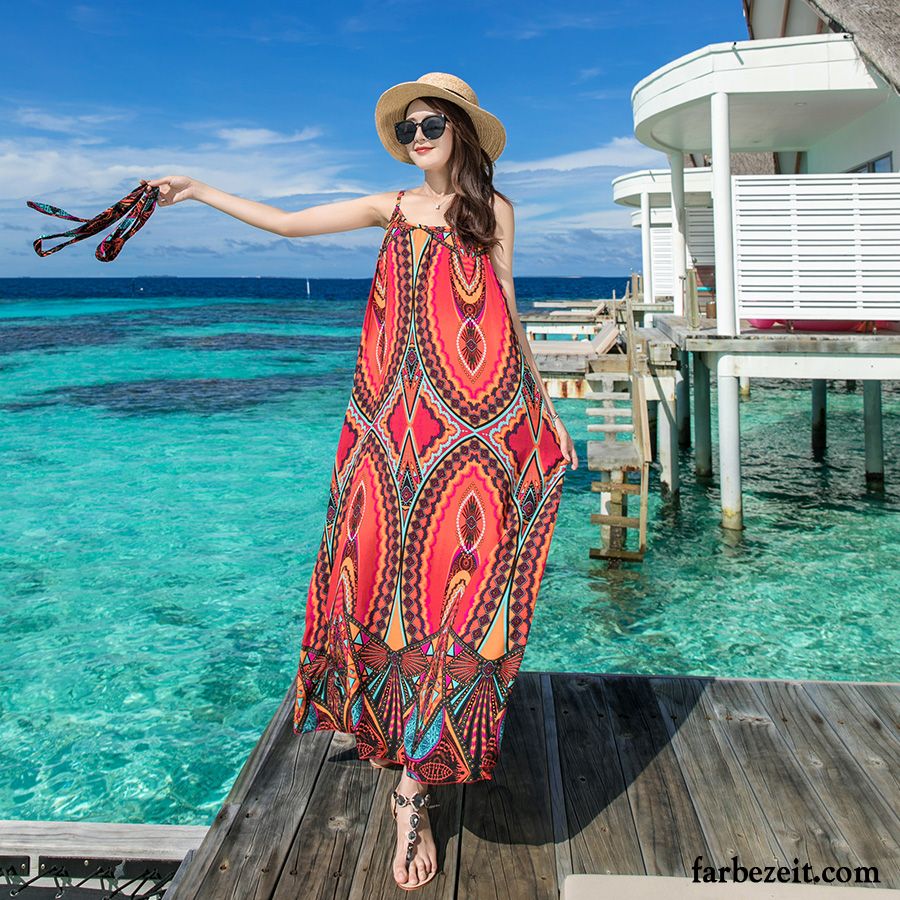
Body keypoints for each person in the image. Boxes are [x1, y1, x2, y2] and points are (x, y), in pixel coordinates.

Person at [147, 71, 577, 892]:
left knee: (464, 593)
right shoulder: (390, 208)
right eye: (407, 128)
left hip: (475, 426)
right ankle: (401, 753)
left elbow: (507, 306)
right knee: (383, 580)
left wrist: (546, 406)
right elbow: (283, 225)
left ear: (461, 130)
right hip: (390, 430)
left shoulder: (495, 213)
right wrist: (197, 188)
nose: (417, 139)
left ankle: (414, 787)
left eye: (429, 125)